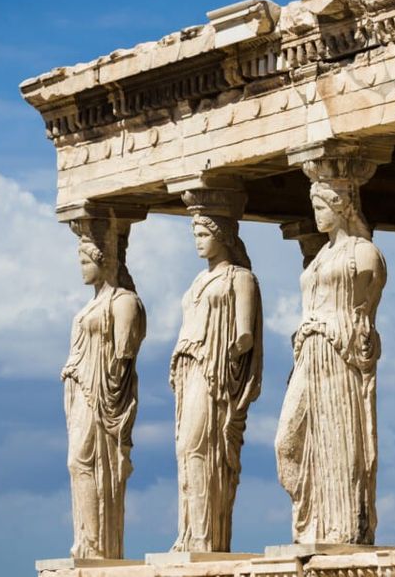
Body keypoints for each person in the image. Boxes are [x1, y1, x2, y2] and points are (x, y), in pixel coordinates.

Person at [274, 181, 386, 544]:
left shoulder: (364, 254)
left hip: (339, 351)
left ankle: (343, 526)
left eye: (321, 207)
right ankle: (312, 520)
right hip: (309, 351)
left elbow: (367, 309)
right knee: (287, 443)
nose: (316, 215)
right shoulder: (321, 255)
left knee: (341, 439)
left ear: (341, 208)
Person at [169, 213, 262, 553]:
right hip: (189, 369)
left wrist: (221, 357)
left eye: (204, 234)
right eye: (195, 234)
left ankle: (206, 537)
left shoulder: (241, 278)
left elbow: (245, 335)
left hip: (215, 372)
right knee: (185, 449)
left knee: (201, 447)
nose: (198, 241)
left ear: (222, 236)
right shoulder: (197, 280)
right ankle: (190, 533)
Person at [61, 225, 146, 559]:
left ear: (104, 260)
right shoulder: (90, 305)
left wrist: (105, 390)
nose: (81, 269)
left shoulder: (124, 302)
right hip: (80, 391)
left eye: (86, 262)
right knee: (77, 464)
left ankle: (99, 544)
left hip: (101, 395)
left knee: (88, 462)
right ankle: (87, 540)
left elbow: (123, 355)